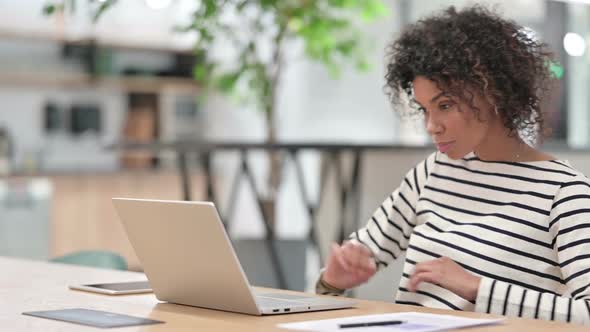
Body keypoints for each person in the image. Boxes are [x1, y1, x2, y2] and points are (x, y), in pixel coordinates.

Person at [316, 5, 590, 325]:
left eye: (445, 105)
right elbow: (358, 256)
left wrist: (477, 288)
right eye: (424, 109)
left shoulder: (565, 193)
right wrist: (332, 280)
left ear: (493, 92)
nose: (432, 125)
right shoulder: (432, 174)